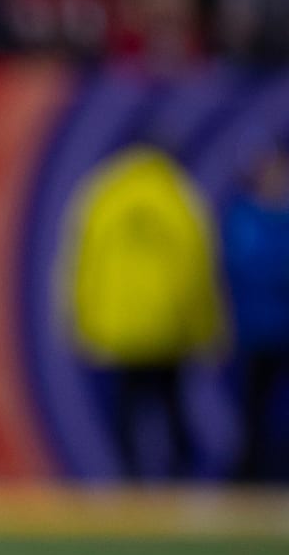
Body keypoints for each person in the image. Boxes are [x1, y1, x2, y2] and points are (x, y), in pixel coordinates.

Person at [56, 141, 224, 479]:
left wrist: (81, 323)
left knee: (126, 409)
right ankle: (179, 480)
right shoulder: (179, 197)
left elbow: (82, 267)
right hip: (169, 327)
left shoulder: (106, 195)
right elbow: (199, 271)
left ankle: (128, 484)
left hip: (120, 328)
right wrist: (206, 330)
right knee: (172, 405)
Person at [220, 139, 289, 481]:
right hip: (256, 333)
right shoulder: (244, 216)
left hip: (282, 330)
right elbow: (242, 268)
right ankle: (248, 481)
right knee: (253, 414)